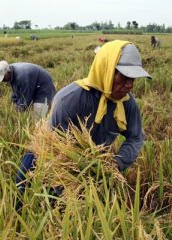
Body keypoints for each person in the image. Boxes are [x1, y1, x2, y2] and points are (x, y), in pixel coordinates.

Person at [15, 40, 150, 204]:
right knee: (27, 201)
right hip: (47, 158)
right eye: (124, 77)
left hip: (91, 165)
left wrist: (116, 163)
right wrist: (69, 191)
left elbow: (136, 137)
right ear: (106, 69)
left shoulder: (126, 103)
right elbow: (53, 152)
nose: (129, 85)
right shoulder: (70, 99)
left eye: (133, 79)